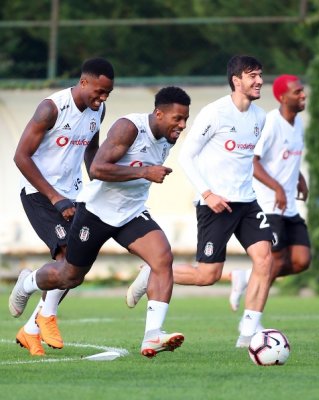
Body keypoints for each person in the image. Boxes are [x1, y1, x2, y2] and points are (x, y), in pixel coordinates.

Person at [9, 86, 191, 358]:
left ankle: (152, 336)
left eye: (185, 119)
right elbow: (97, 168)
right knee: (70, 276)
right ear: (159, 114)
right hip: (96, 212)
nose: (182, 125)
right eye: (177, 119)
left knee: (162, 258)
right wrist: (144, 171)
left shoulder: (169, 137)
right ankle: (28, 283)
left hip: (130, 213)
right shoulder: (128, 128)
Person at [125, 55, 274, 348]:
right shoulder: (215, 113)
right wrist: (208, 194)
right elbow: (186, 156)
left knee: (265, 259)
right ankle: (151, 273)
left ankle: (248, 333)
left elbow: (245, 161)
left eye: (260, 75)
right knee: (208, 275)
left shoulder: (260, 117)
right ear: (236, 80)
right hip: (214, 205)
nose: (259, 81)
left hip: (247, 202)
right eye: (252, 76)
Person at [11, 57, 114, 356]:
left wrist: (98, 184)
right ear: (83, 82)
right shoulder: (51, 108)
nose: (103, 98)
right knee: (68, 255)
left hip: (75, 195)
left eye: (108, 93)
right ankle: (42, 307)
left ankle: (31, 329)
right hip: (41, 194)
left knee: (76, 268)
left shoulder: (98, 110)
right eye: (99, 91)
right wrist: (56, 197)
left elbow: (91, 150)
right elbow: (21, 157)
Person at [227, 74, 311, 308]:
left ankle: (245, 277)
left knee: (301, 260)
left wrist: (300, 179)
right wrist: (277, 188)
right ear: (283, 97)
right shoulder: (271, 123)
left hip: (289, 208)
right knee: (274, 260)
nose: (303, 95)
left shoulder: (298, 124)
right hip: (268, 204)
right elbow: (253, 162)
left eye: (302, 90)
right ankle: (251, 320)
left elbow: (286, 158)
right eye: (297, 92)